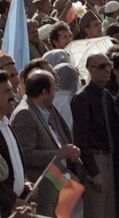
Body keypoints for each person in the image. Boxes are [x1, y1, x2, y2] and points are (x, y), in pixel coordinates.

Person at [11, 70, 81, 216]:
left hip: (56, 182)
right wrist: (59, 153)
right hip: (41, 189)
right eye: (54, 88)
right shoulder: (24, 114)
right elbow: (27, 154)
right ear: (44, 92)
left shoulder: (44, 109)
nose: (56, 92)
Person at [71, 53, 119, 218]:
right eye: (101, 67)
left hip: (109, 158)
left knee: (109, 212)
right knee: (97, 212)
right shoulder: (82, 98)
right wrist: (94, 172)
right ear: (90, 70)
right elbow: (80, 139)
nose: (107, 70)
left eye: (108, 65)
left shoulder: (107, 96)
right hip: (95, 160)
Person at [0, 70, 32, 217]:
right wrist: (13, 201)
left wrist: (24, 183)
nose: (13, 96)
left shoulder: (5, 124)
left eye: (12, 91)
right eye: (7, 92)